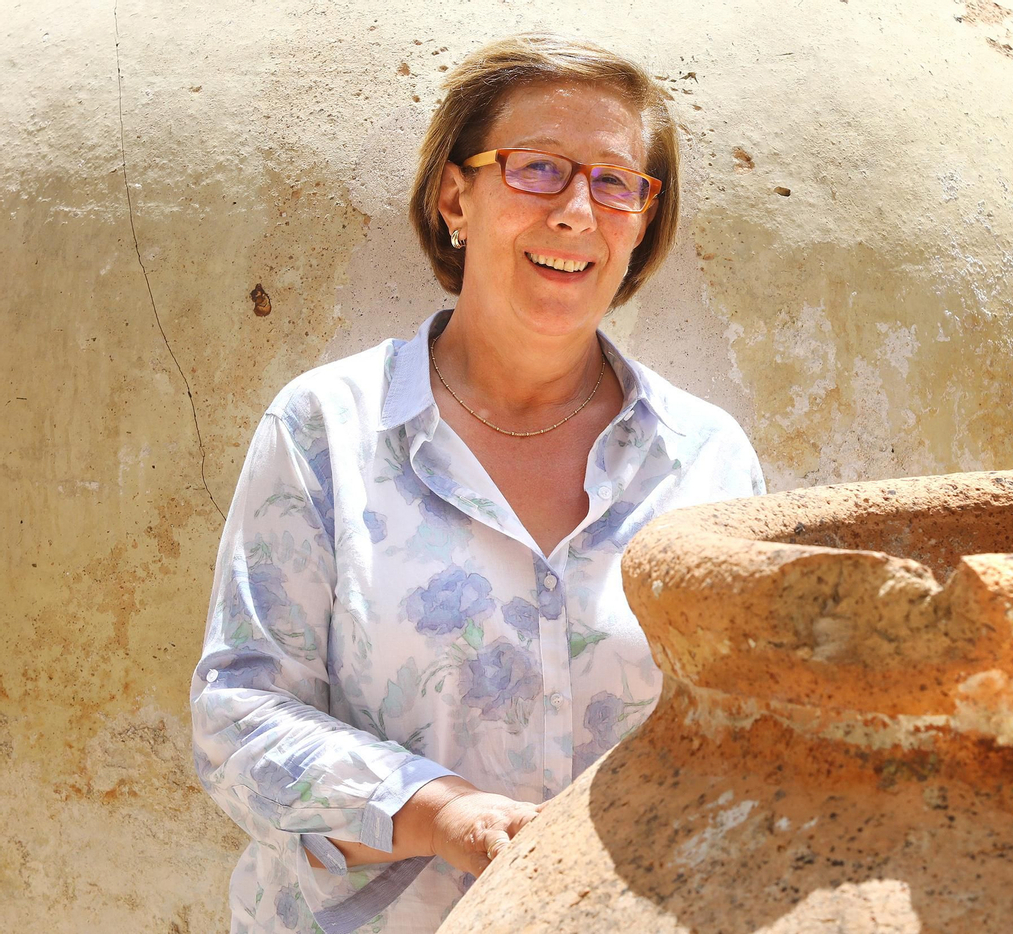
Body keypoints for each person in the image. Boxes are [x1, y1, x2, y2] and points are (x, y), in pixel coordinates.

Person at [190, 34, 764, 934]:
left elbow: (747, 728)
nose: (578, 211)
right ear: (456, 195)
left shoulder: (705, 457)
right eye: (539, 168)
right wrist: (439, 813)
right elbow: (239, 719)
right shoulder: (329, 428)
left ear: (643, 221)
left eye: (616, 182)